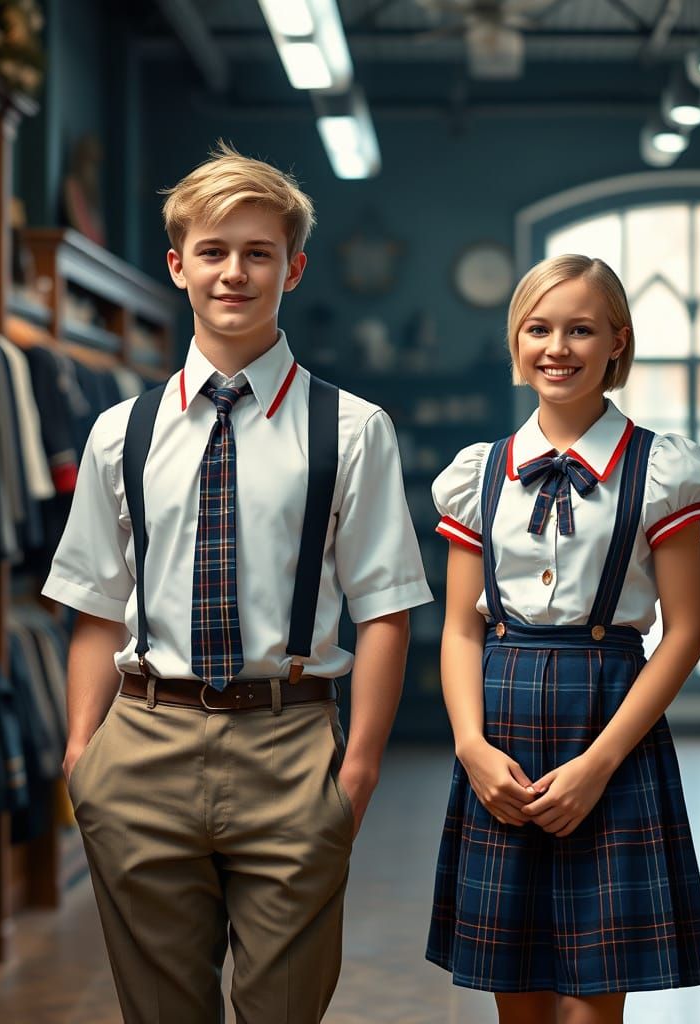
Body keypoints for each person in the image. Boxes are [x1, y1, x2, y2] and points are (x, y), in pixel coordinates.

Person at [42, 142, 432, 1024]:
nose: (234, 273)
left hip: (289, 744)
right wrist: (82, 755)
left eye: (259, 253)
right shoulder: (120, 431)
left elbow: (385, 612)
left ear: (293, 269)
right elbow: (96, 605)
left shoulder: (353, 429)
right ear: (177, 265)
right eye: (213, 251)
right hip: (142, 744)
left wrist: (357, 772)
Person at [425, 254, 700, 1024]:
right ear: (516, 342)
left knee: (593, 1007)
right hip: (502, 738)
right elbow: (461, 626)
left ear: (617, 342)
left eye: (581, 330)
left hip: (611, 733)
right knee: (517, 1003)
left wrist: (599, 764)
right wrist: (470, 747)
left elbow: (686, 633)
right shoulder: (478, 474)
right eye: (539, 329)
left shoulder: (661, 469)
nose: (558, 348)